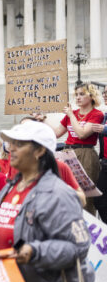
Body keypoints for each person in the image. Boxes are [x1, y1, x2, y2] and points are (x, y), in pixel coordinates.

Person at [0, 120, 94, 282]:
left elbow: (77, 247)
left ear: (39, 152)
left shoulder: (58, 194)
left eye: (19, 144)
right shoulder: (10, 187)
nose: (10, 148)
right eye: (11, 142)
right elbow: (8, 225)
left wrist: (34, 251)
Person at [38, 83, 102, 213]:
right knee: (66, 189)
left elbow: (82, 134)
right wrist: (43, 119)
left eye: (82, 94)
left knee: (85, 195)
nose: (78, 97)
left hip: (86, 153)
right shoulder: (72, 114)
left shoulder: (97, 114)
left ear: (92, 97)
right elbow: (56, 133)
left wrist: (71, 115)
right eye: (76, 94)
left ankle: (86, 227)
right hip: (67, 152)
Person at [93, 87, 107, 220]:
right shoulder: (105, 115)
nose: (105, 95)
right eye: (104, 92)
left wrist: (105, 129)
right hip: (105, 163)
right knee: (99, 201)